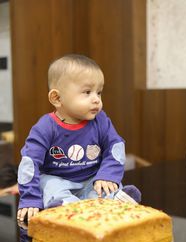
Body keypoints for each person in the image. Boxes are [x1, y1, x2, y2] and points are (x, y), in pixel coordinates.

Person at [17, 54, 141, 222]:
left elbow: (115, 147)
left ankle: (113, 200)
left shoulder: (101, 120)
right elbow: (29, 165)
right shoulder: (45, 128)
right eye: (87, 92)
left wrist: (108, 175)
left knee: (106, 187)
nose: (96, 99)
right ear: (57, 98)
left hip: (92, 178)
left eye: (99, 92)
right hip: (58, 180)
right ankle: (63, 205)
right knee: (50, 186)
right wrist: (30, 199)